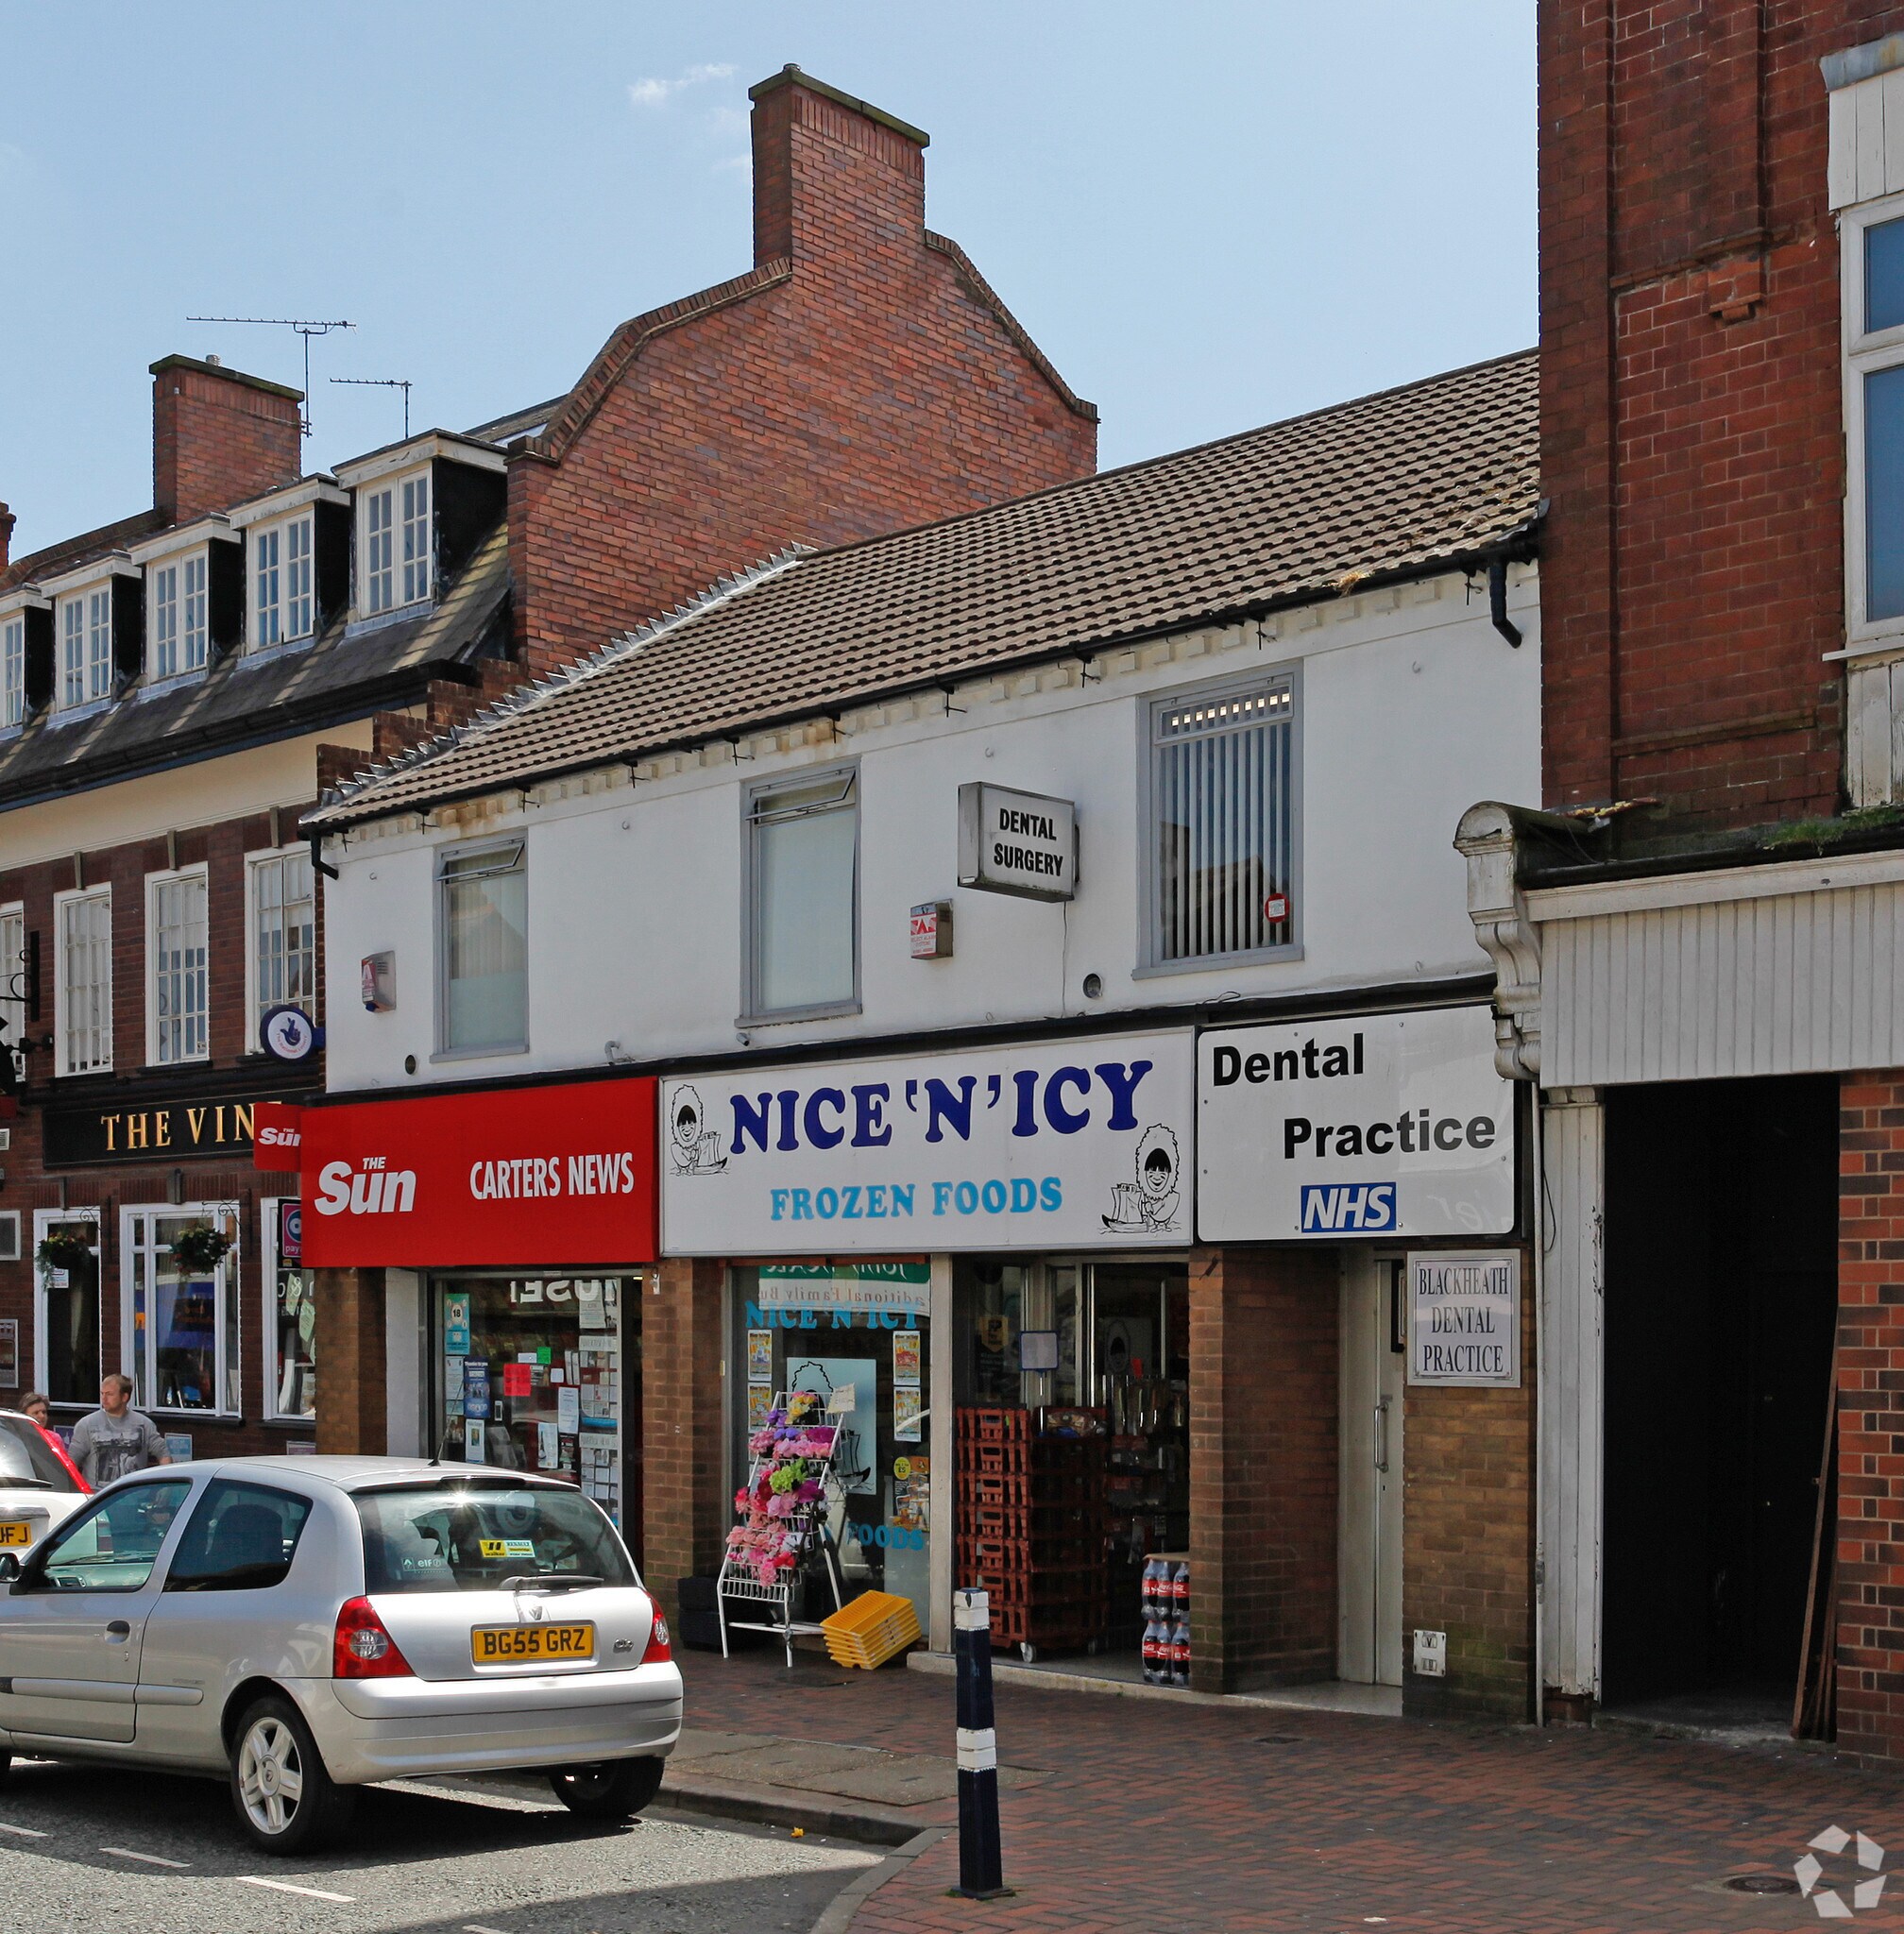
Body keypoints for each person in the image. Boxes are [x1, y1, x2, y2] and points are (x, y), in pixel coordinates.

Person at [68, 1375, 171, 1489]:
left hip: (134, 1494)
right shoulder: (86, 1424)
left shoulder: (144, 1424)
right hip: (97, 1497)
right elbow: (71, 1461)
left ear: (124, 1397)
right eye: (102, 1393)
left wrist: (166, 1487)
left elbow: (163, 1454)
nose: (104, 1399)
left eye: (110, 1394)